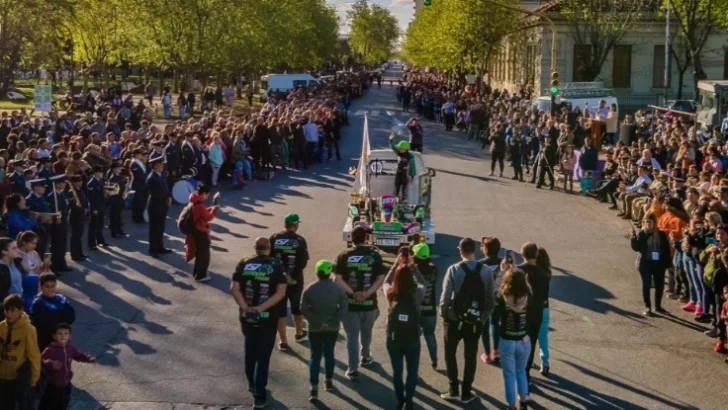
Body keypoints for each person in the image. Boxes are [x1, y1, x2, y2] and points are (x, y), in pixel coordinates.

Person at [230, 237, 287, 409]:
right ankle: (259, 396)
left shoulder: (244, 263)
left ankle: (251, 383)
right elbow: (281, 292)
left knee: (250, 350)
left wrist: (246, 307)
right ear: (269, 248)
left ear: (255, 248)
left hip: (247, 317)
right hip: (268, 317)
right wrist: (261, 308)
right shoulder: (276, 265)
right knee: (263, 357)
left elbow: (234, 288)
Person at [439, 237, 496, 403]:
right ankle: (466, 392)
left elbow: (445, 298)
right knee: (470, 355)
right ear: (475, 250)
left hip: (454, 319)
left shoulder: (454, 269)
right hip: (474, 321)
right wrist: (483, 318)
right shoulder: (486, 271)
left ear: (460, 250)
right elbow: (490, 299)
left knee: (450, 353)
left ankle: (453, 389)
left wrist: (444, 314)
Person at [334, 225, 386, 381]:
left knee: (351, 335)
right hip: (369, 303)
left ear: (352, 238)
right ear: (366, 238)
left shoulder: (343, 255)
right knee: (367, 331)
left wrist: (352, 293)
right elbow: (381, 278)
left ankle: (352, 369)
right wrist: (367, 293)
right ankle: (365, 356)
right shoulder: (374, 255)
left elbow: (337, 279)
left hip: (349, 303)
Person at [301, 260, 348, 403]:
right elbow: (344, 306)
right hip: (332, 328)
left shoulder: (310, 289)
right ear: (330, 272)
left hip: (315, 328)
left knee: (315, 356)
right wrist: (333, 322)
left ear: (317, 272)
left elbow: (304, 309)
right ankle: (328, 381)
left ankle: (313, 388)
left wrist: (317, 322)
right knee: (329, 354)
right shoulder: (338, 288)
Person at [383, 259, 425, 410]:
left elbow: (385, 281)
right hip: (412, 338)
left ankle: (400, 400)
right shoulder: (417, 294)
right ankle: (409, 400)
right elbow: (422, 282)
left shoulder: (391, 294)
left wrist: (395, 264)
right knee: (412, 371)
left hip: (393, 339)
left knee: (397, 371)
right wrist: (413, 267)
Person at [270, 213, 310, 350]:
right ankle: (299, 334)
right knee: (296, 308)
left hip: (278, 281)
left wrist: (280, 275)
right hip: (295, 280)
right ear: (295, 225)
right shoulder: (300, 240)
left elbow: (269, 259)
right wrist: (291, 275)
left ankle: (283, 341)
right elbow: (303, 262)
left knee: (280, 311)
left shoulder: (274, 238)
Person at [494, 269, 533, 410]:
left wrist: (502, 271)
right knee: (521, 371)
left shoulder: (502, 297)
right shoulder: (528, 296)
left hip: (507, 339)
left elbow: (496, 313)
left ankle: (511, 405)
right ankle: (524, 401)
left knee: (509, 375)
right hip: (523, 339)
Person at [39, 323, 96, 410]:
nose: (63, 336)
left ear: (69, 336)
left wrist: (88, 358)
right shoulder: (50, 350)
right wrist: (51, 363)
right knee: (49, 404)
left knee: (63, 403)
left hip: (66, 383)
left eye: (66, 333)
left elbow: (78, 355)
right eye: (60, 334)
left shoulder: (70, 348)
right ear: (54, 336)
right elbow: (42, 360)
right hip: (53, 384)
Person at [516, 242, 549, 385]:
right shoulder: (544, 274)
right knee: (530, 345)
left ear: (522, 255)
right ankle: (526, 374)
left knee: (517, 344)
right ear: (536, 254)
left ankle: (518, 373)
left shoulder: (517, 271)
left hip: (519, 314)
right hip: (536, 314)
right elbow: (544, 297)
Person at [0, 294, 41, 410]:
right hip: (2, 377)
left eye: (13, 310)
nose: (8, 314)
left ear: (21, 310)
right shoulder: (1, 327)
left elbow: (34, 356)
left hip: (17, 380)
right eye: (6, 310)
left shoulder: (28, 330)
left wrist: (33, 381)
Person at [630, 213, 673, 316]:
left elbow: (666, 250)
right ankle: (648, 307)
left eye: (649, 222)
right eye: (646, 222)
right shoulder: (642, 234)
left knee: (659, 285)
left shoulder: (662, 235)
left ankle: (658, 307)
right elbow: (637, 248)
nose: (647, 224)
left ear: (654, 223)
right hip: (645, 263)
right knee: (646, 284)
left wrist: (668, 264)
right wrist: (633, 238)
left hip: (658, 263)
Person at [29, 272, 76, 351]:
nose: (50, 289)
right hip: (45, 341)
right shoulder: (38, 302)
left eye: (52, 286)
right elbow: (42, 322)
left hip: (62, 338)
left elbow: (71, 317)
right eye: (47, 287)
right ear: (41, 287)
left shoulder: (61, 298)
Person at [411, 243, 439, 369]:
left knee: (414, 337)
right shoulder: (434, 269)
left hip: (414, 310)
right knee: (430, 335)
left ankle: (414, 362)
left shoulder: (412, 271)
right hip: (430, 309)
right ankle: (434, 359)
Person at [185, 185, 218, 282]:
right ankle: (201, 275)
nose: (207, 197)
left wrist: (209, 209)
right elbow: (208, 217)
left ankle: (198, 272)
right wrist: (214, 209)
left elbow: (201, 214)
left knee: (199, 253)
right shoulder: (199, 205)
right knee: (204, 254)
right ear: (203, 194)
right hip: (200, 231)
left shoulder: (193, 200)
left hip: (194, 230)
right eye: (207, 195)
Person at [479, 236, 503, 364]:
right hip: (498, 297)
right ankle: (496, 351)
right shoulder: (502, 262)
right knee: (495, 323)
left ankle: (487, 354)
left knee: (484, 325)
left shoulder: (481, 263)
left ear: (486, 249)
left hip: (485, 299)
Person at [16, 231, 49, 312]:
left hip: (36, 285)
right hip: (25, 286)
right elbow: (24, 269)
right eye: (33, 243)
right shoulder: (17, 254)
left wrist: (45, 264)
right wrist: (33, 269)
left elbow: (40, 270)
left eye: (35, 243)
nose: (35, 246)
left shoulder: (34, 253)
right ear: (24, 242)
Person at [146, 156, 172, 257]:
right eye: (161, 165)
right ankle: (153, 249)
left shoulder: (160, 175)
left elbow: (166, 188)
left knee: (161, 227)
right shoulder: (152, 178)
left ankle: (160, 246)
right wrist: (167, 198)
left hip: (162, 205)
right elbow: (156, 193)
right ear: (155, 166)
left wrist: (169, 196)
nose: (163, 166)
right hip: (156, 206)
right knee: (154, 229)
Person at [534, 246, 553, 376]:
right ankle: (545, 363)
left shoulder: (533, 273)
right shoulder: (547, 273)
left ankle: (527, 361)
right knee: (543, 337)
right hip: (545, 307)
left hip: (533, 308)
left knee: (529, 336)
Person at [47, 175, 71, 274]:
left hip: (64, 223)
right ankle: (55, 267)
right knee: (56, 246)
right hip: (56, 225)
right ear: (57, 184)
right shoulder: (52, 196)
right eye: (62, 183)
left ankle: (62, 264)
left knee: (63, 245)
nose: (64, 184)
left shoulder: (61, 193)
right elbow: (51, 210)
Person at [25, 178, 51, 257]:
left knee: (42, 250)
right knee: (35, 252)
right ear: (36, 188)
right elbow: (29, 215)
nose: (44, 188)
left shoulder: (42, 198)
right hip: (36, 230)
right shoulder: (29, 200)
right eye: (42, 187)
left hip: (45, 228)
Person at [388, 133, 417, 202]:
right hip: (398, 174)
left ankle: (404, 200)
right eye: (399, 148)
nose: (399, 149)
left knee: (404, 190)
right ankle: (395, 199)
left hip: (405, 175)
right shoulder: (398, 153)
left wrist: (412, 176)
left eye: (401, 148)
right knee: (396, 189)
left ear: (405, 149)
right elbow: (393, 147)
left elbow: (413, 166)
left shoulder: (410, 156)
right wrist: (391, 140)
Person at [67, 175, 89, 262]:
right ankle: (75, 254)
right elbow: (73, 205)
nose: (81, 182)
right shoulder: (71, 192)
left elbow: (84, 200)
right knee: (75, 236)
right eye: (79, 181)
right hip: (75, 216)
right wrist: (83, 209)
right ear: (74, 182)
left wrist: (86, 208)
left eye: (81, 181)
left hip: (81, 215)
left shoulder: (80, 190)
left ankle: (80, 253)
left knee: (79, 235)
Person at [86, 165, 108, 250]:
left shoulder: (102, 181)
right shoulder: (91, 183)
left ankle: (100, 240)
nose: (102, 174)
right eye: (100, 172)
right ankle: (92, 243)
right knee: (93, 226)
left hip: (101, 205)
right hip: (95, 207)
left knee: (100, 225)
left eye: (102, 172)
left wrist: (106, 195)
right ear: (95, 173)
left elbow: (103, 193)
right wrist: (94, 208)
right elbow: (91, 197)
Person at [0, 237, 22, 318]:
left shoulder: (15, 262)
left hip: (18, 303)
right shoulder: (1, 269)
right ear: (4, 251)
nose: (17, 250)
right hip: (6, 308)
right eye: (14, 248)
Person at [107, 162, 127, 238]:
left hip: (120, 198)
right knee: (114, 216)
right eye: (118, 168)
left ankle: (119, 230)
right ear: (114, 169)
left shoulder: (119, 176)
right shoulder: (113, 178)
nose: (120, 169)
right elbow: (112, 191)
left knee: (119, 215)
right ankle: (114, 232)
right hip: (115, 199)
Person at [129, 148, 149, 224]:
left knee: (142, 202)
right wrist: (147, 180)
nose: (142, 156)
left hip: (142, 185)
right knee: (137, 202)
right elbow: (139, 176)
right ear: (136, 155)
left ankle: (140, 216)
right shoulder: (134, 163)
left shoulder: (139, 162)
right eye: (140, 154)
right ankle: (136, 218)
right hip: (138, 185)